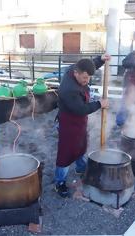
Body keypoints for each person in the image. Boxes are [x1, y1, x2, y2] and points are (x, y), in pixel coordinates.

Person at [54, 55, 110, 198]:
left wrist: (101, 59)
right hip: (68, 122)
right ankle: (59, 182)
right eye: (84, 78)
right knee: (65, 153)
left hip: (79, 122)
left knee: (81, 144)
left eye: (89, 77)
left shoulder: (78, 68)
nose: (87, 81)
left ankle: (80, 168)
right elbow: (81, 109)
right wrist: (99, 104)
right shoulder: (69, 89)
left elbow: (90, 64)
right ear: (75, 73)